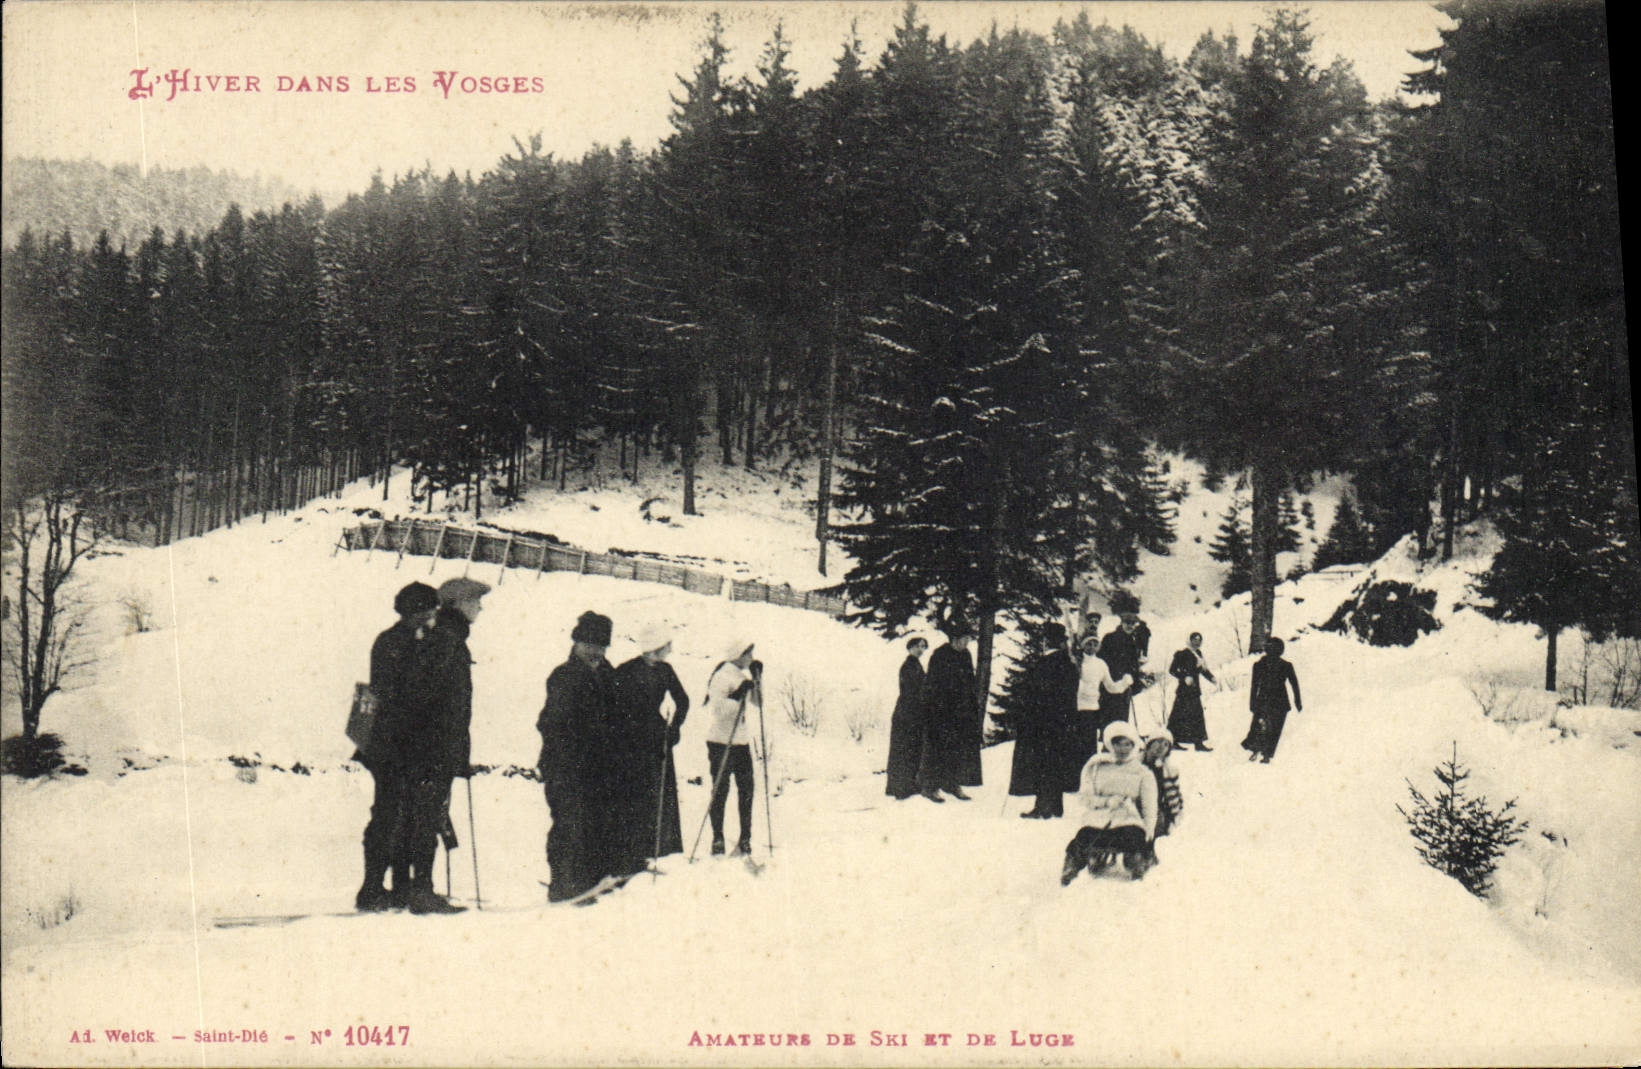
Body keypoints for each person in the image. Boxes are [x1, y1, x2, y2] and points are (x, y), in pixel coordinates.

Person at [387, 575, 488, 914]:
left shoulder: (441, 636)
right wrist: (447, 746)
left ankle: (407, 888)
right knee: (426, 816)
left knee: (419, 814)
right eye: (475, 601)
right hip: (432, 746)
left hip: (424, 744)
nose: (480, 607)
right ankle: (422, 891)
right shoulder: (447, 640)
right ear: (459, 604)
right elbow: (437, 698)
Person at [355, 581, 439, 912]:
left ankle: (387, 886)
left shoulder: (390, 640)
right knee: (390, 817)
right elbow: (399, 696)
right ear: (416, 613)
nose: (431, 618)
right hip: (395, 746)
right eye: (428, 612)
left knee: (396, 816)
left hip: (390, 745)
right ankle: (374, 888)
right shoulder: (399, 644)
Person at [539, 610, 619, 902]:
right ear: (575, 643)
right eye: (589, 644)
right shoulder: (563, 676)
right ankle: (562, 884)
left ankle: (590, 880)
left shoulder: (609, 676)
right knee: (569, 824)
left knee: (596, 822)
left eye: (601, 646)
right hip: (567, 766)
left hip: (599, 766)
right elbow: (550, 723)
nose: (595, 651)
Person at [612, 624, 691, 875]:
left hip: (657, 737)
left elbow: (683, 700)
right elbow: (611, 704)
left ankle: (656, 848)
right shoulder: (626, 670)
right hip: (630, 739)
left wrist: (675, 726)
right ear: (657, 646)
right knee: (634, 793)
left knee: (658, 792)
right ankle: (630, 850)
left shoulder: (666, 670)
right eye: (667, 645)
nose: (671, 649)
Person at [1061, 720, 1157, 885]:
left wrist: (1149, 834)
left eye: (1128, 744)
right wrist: (1106, 802)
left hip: (1128, 818)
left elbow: (1149, 807)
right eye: (1118, 744)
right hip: (1099, 818)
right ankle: (1071, 869)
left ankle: (1137, 867)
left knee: (1134, 838)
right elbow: (1085, 798)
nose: (1123, 749)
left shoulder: (1142, 772)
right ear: (1110, 744)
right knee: (1083, 838)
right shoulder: (1097, 767)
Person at [1008, 623, 1082, 818]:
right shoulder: (1068, 664)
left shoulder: (1044, 664)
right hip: (1063, 723)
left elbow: (1035, 696)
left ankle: (1043, 807)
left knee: (1043, 763)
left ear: (1046, 641)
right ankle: (1056, 807)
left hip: (1042, 723)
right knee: (1056, 763)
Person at [704, 638, 762, 855]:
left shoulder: (741, 676)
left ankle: (745, 837)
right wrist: (737, 695)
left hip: (741, 741)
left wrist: (757, 679)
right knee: (721, 789)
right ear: (738, 654)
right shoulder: (721, 676)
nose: (752, 658)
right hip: (720, 741)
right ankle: (717, 837)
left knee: (747, 789)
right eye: (749, 654)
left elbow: (759, 703)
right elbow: (718, 711)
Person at [919, 619, 981, 801]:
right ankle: (930, 787)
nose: (967, 643)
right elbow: (931, 685)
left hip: (960, 712)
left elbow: (970, 682)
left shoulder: (966, 655)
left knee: (957, 748)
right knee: (937, 748)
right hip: (940, 712)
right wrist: (935, 709)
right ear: (955, 638)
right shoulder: (940, 655)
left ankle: (952, 783)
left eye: (969, 639)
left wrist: (970, 706)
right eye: (965, 639)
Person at [1243, 637, 1302, 763]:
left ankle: (1266, 754)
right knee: (1259, 726)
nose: (1272, 651)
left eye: (1275, 648)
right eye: (1270, 647)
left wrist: (1298, 701)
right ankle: (1256, 750)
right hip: (1264, 701)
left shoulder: (1286, 665)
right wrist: (1252, 703)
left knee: (1274, 729)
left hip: (1279, 702)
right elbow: (1254, 685)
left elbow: (1294, 683)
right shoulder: (1259, 665)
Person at [885, 636, 930, 800]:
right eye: (918, 646)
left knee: (911, 748)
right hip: (907, 712)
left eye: (924, 647)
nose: (921, 649)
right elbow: (912, 689)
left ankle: (907, 784)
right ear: (910, 647)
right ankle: (901, 787)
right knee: (904, 748)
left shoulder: (917, 665)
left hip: (913, 711)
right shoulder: (908, 666)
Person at [1166, 632, 1217, 751]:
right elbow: (1172, 670)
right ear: (1189, 640)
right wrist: (1184, 677)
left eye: (1199, 640)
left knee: (1197, 715)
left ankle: (1198, 743)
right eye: (1195, 639)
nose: (1197, 642)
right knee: (1178, 716)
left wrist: (1212, 678)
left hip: (1194, 691)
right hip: (1183, 691)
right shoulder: (1182, 654)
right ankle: (1173, 741)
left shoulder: (1198, 654)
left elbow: (1203, 670)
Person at [1140, 730, 1184, 864]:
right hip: (1135, 804)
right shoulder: (1136, 764)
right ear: (1149, 744)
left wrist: (1174, 815)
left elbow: (1174, 795)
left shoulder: (1168, 771)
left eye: (1166, 745)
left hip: (1156, 808)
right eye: (1158, 742)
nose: (1161, 747)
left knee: (1155, 821)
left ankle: (1147, 851)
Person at [1080, 633, 1135, 741]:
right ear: (1083, 645)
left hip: (1092, 707)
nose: (1092, 647)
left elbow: (1111, 687)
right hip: (1076, 707)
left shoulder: (1101, 664)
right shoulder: (1076, 661)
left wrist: (1125, 682)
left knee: (1090, 742)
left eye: (1095, 644)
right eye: (1089, 644)